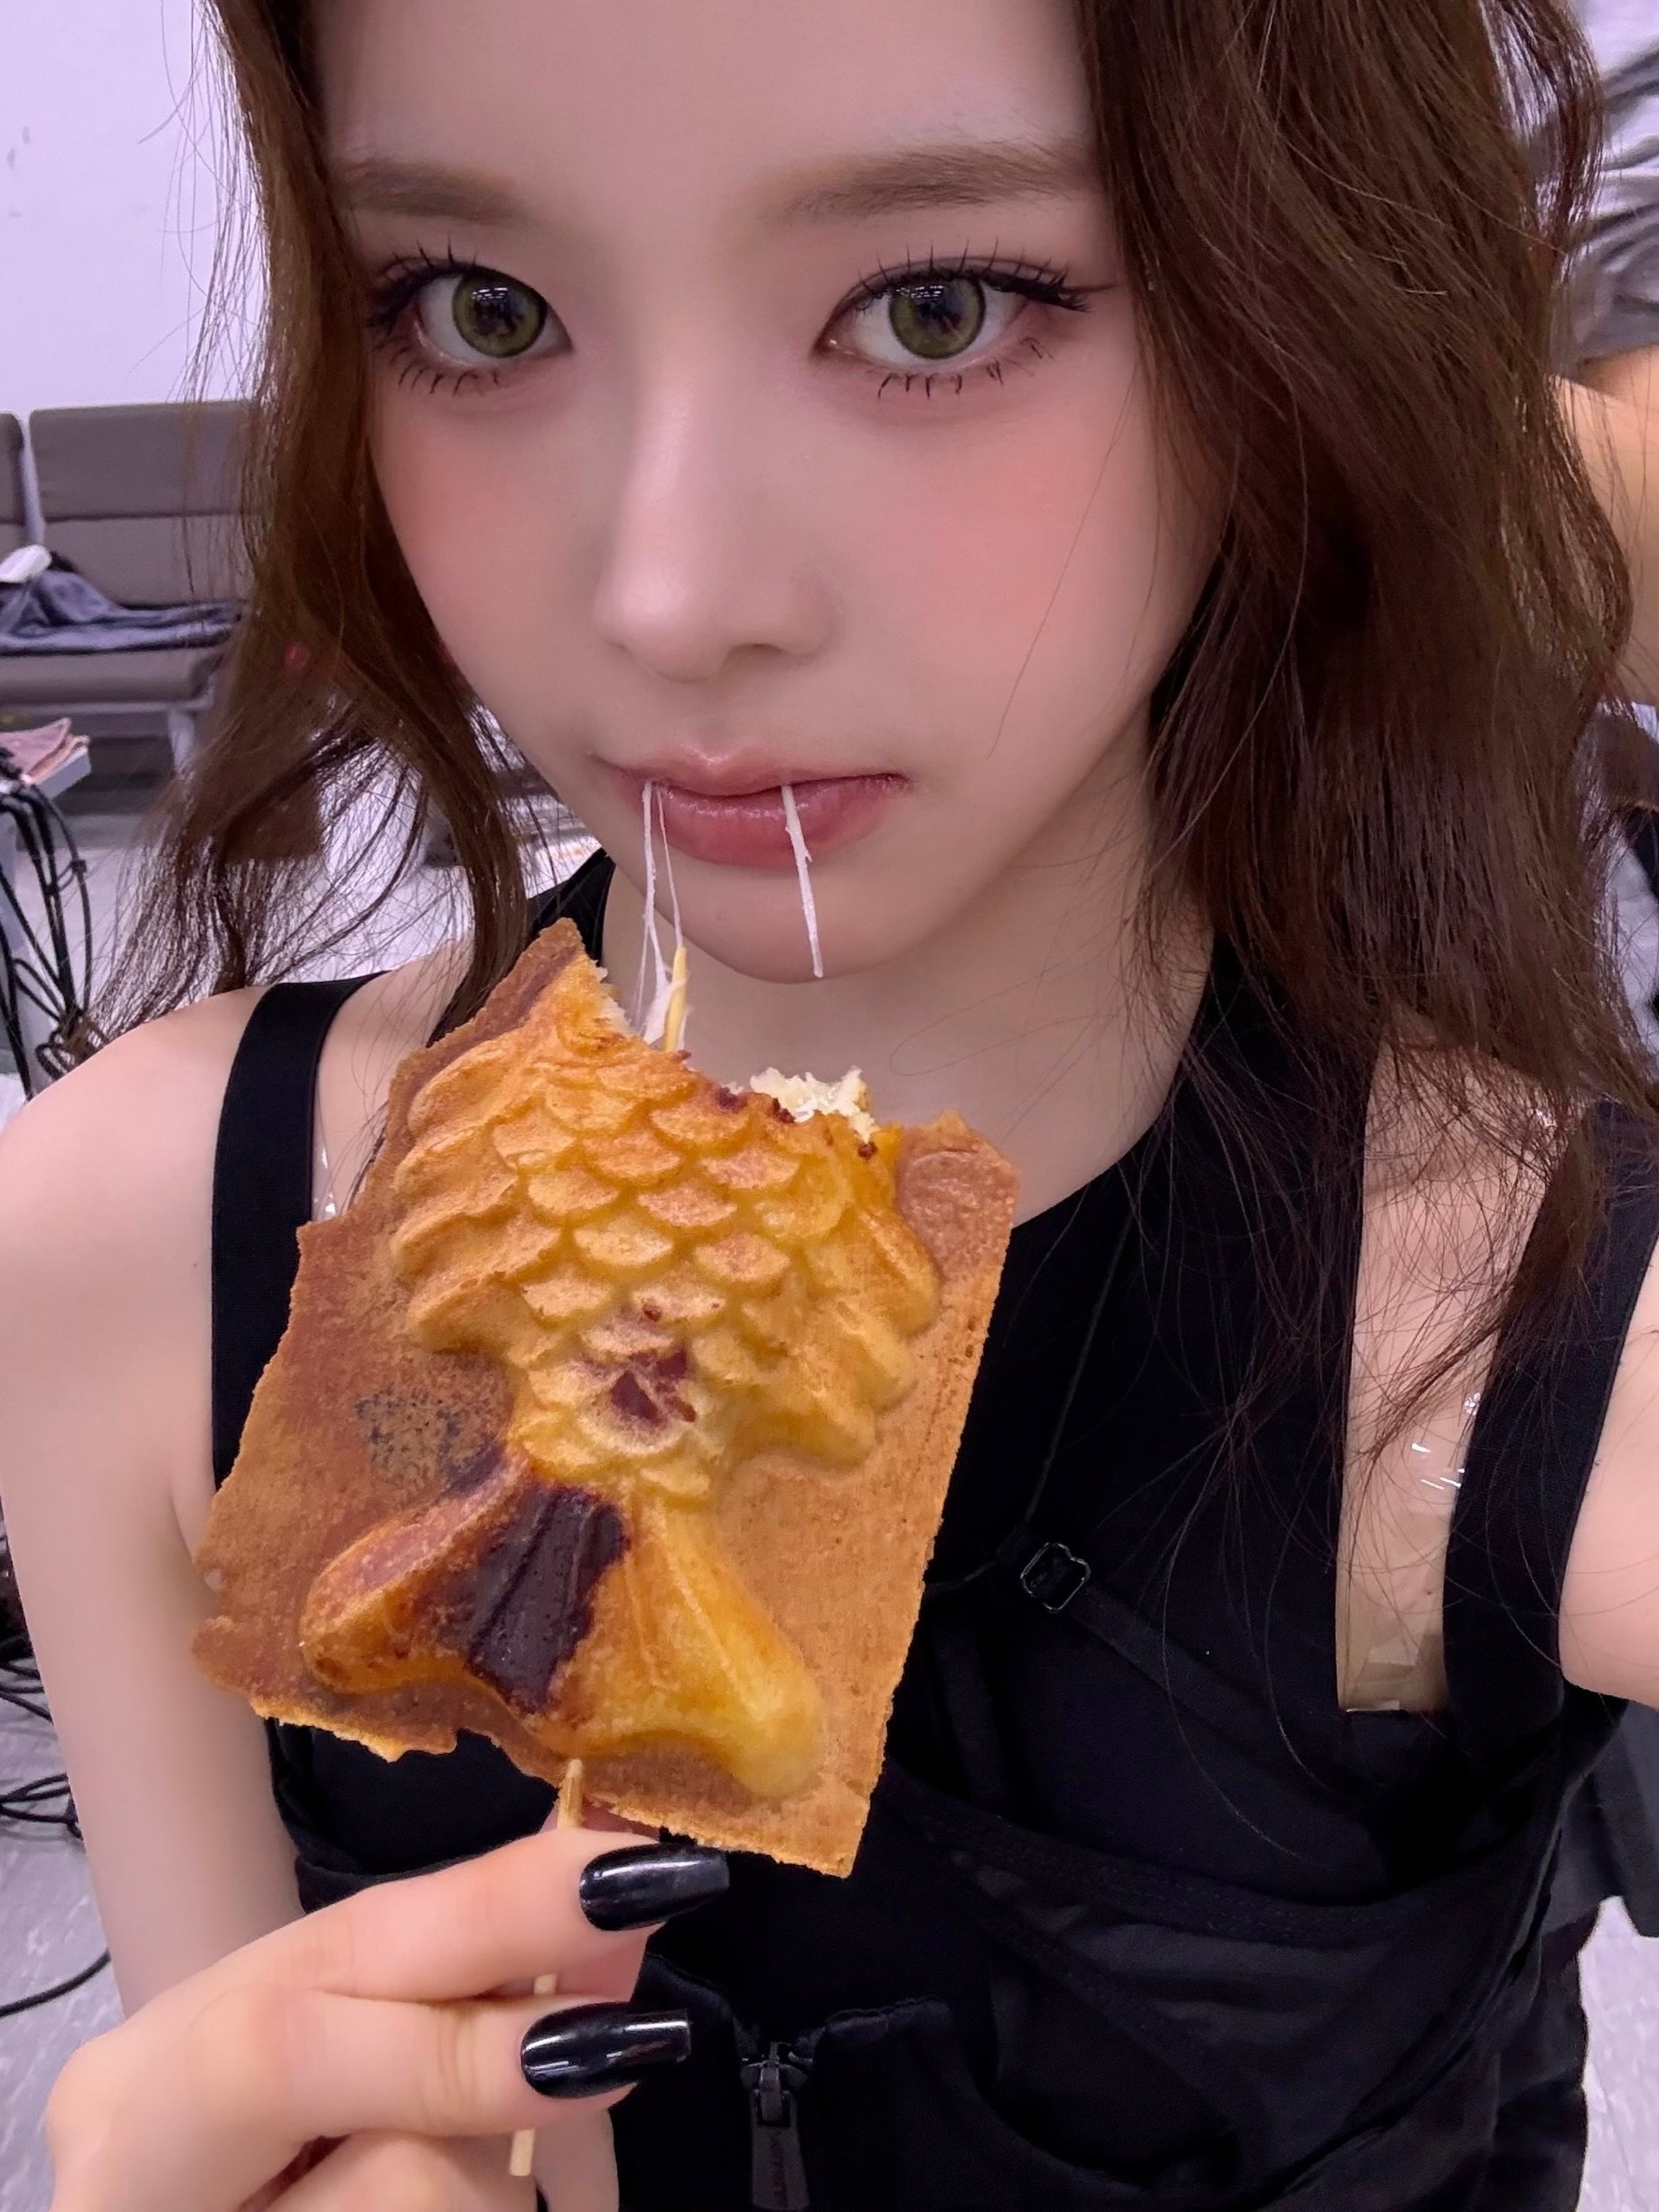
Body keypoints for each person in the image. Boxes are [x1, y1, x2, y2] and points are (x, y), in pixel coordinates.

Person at [5, 4, 1659, 2208]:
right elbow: (232, 2068)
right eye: (481, 310)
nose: (669, 600)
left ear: (1289, 321)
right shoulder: (136, 1241)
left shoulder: (1515, 1318)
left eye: (936, 307)